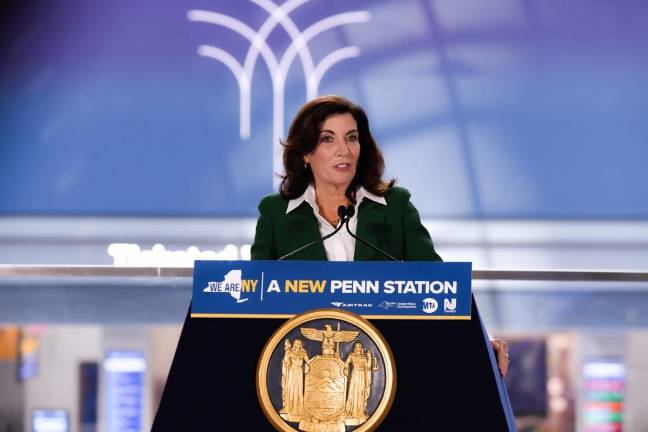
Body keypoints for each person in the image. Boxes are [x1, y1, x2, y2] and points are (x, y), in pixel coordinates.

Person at [251, 95, 509, 376]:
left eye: (351, 138)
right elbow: (253, 299)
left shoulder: (396, 206)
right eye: (328, 139)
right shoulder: (275, 213)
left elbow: (438, 284)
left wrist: (483, 340)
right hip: (306, 373)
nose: (344, 150)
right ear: (305, 152)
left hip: (385, 366)